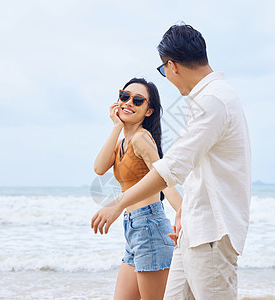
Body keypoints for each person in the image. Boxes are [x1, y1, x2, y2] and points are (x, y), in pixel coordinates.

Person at [92, 23, 251, 299]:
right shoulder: (205, 99)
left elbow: (170, 169)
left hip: (211, 233)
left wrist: (118, 203)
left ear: (171, 65)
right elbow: (189, 171)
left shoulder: (213, 101)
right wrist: (182, 211)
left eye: (162, 69)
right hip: (193, 228)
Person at [93, 77, 183, 300]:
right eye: (124, 96)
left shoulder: (142, 139)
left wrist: (184, 214)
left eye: (138, 100)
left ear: (149, 111)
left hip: (150, 227)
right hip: (133, 228)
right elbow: (99, 168)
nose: (128, 103)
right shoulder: (122, 140)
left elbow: (164, 178)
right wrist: (116, 126)